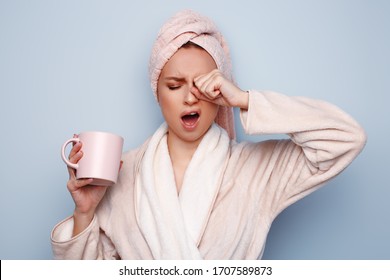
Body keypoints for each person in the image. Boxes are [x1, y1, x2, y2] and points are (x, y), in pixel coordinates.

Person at [51, 10, 366, 259]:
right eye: (174, 86)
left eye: (203, 85)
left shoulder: (256, 170)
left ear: (220, 92)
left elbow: (346, 138)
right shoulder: (121, 173)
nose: (190, 98)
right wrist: (85, 212)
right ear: (156, 93)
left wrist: (244, 98)